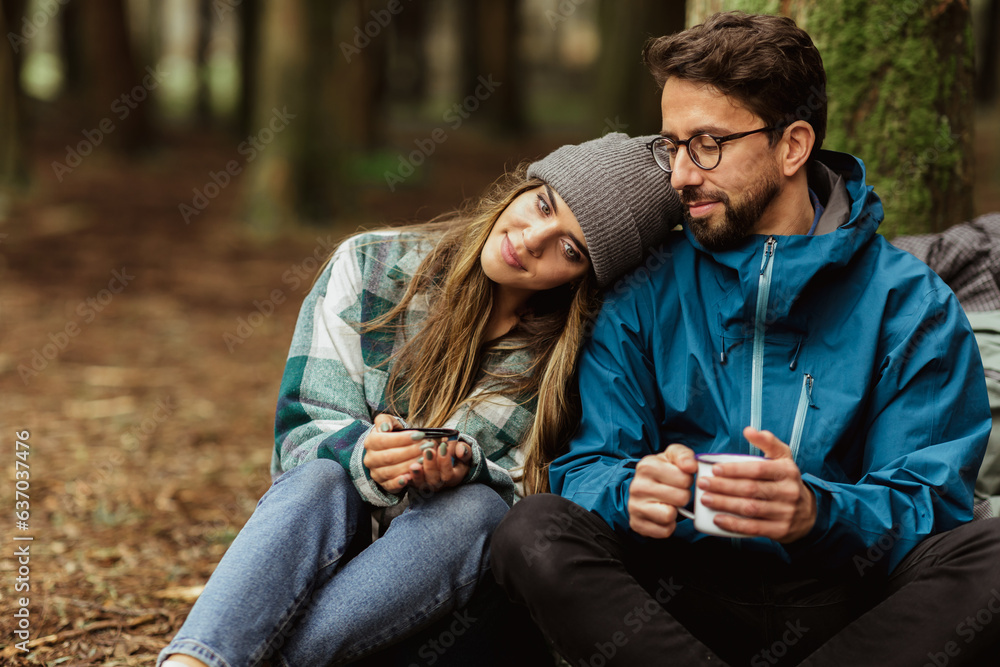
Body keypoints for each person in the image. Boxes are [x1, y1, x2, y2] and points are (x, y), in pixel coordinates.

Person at [490, 12, 1000, 667]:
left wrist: (818, 511)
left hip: (846, 604)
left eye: (707, 144)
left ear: (792, 146)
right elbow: (587, 466)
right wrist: (631, 491)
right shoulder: (644, 291)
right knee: (530, 529)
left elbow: (932, 499)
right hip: (672, 602)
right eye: (672, 145)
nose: (679, 176)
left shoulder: (909, 301)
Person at [157, 132, 681, 667]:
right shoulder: (370, 263)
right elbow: (298, 436)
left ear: (585, 276)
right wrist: (365, 457)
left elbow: (537, 505)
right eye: (542, 204)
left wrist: (461, 470)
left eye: (569, 249)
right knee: (323, 475)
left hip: (440, 597)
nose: (531, 240)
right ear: (527, 185)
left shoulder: (566, 359)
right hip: (326, 550)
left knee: (476, 508)